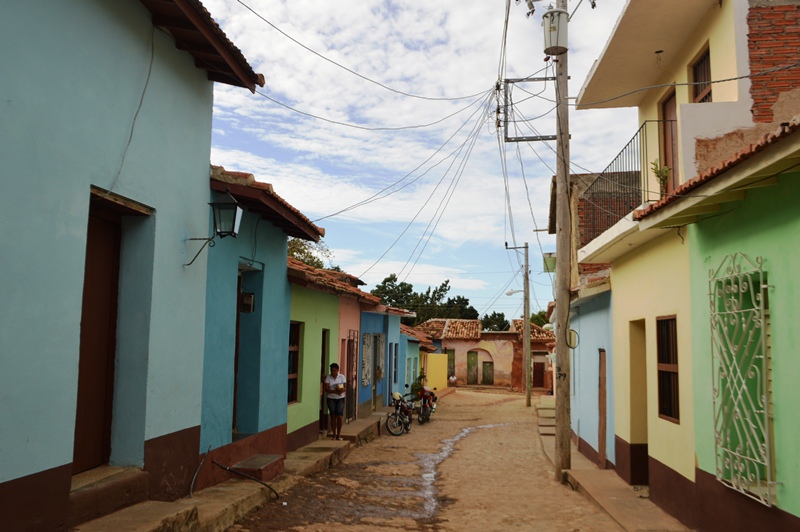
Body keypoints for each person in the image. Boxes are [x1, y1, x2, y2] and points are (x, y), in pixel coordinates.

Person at [324, 363, 347, 440]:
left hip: (340, 398)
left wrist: (341, 390)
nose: (333, 372)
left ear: (338, 370)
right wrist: (335, 392)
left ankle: (338, 434)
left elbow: (345, 387)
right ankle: (333, 434)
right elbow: (326, 389)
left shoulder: (342, 377)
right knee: (333, 416)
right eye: (331, 371)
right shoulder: (328, 377)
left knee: (339, 416)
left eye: (334, 371)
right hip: (331, 399)